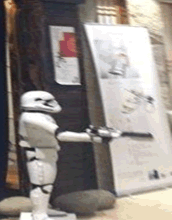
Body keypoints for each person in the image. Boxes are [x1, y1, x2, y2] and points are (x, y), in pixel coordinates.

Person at [19, 91, 121, 220]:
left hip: (46, 153)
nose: (53, 104)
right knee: (41, 186)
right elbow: (61, 135)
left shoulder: (40, 116)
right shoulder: (32, 118)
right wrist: (93, 138)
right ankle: (39, 214)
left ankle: (42, 210)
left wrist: (96, 136)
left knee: (45, 185)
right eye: (48, 102)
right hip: (39, 155)